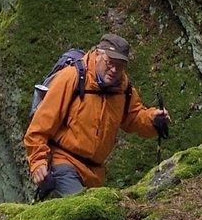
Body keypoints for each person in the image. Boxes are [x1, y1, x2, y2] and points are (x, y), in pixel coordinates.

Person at [23, 31, 170, 197]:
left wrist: (153, 119)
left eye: (120, 66)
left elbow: (134, 117)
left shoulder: (123, 89)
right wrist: (38, 162)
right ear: (98, 54)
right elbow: (39, 126)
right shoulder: (72, 77)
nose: (114, 70)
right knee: (82, 209)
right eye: (110, 62)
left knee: (97, 209)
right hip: (63, 162)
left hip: (95, 174)